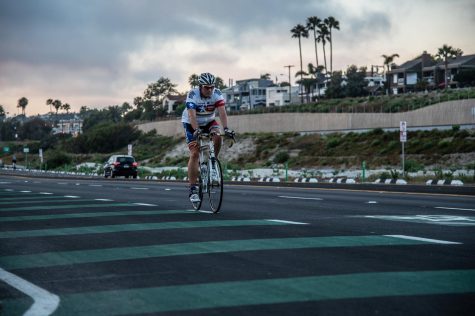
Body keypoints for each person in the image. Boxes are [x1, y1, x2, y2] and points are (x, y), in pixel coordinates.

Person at [181, 72, 235, 203]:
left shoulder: (217, 93)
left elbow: (222, 112)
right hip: (191, 123)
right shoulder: (193, 95)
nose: (209, 90)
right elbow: (192, 116)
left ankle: (213, 162)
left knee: (218, 136)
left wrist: (226, 128)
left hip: (209, 121)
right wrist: (196, 130)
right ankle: (193, 189)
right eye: (206, 87)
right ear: (200, 86)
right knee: (194, 153)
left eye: (211, 87)